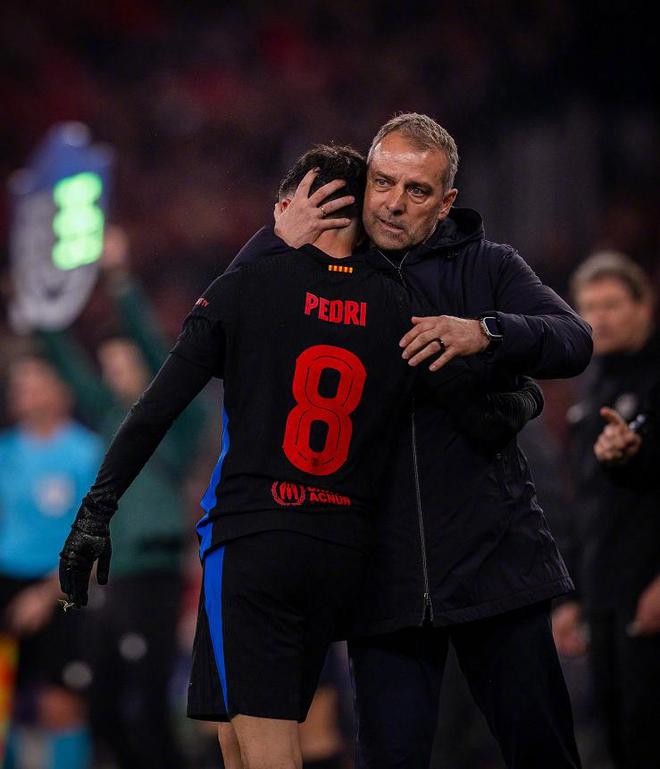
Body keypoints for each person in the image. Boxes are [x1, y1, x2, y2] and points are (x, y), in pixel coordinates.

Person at [59, 145, 543, 769]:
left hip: (251, 542)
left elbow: (156, 406)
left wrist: (96, 511)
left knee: (266, 752)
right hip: (339, 551)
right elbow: (483, 414)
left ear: (293, 207)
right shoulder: (400, 306)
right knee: (236, 739)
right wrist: (526, 396)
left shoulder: (249, 283)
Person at [264, 113, 592, 769]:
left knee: (544, 753)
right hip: (381, 581)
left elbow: (574, 339)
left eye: (417, 190)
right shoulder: (324, 273)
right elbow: (229, 339)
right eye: (384, 182)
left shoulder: (489, 266)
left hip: (496, 565)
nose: (394, 202)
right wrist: (273, 247)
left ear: (446, 203)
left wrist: (486, 332)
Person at [40, 227, 206, 769]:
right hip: (112, 578)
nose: (113, 377)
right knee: (104, 706)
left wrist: (119, 282)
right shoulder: (112, 418)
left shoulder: (176, 422)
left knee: (147, 706)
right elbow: (67, 365)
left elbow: (160, 354)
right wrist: (40, 303)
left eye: (123, 365)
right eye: (108, 368)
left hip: (155, 576)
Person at [554, 251, 660, 769]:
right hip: (603, 592)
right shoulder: (591, 387)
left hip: (649, 589)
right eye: (590, 307)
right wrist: (570, 595)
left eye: (613, 304)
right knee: (615, 736)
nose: (601, 318)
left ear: (644, 305)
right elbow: (586, 503)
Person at [0, 355, 103, 769]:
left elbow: (96, 541)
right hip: (8, 582)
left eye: (34, 382)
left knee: (60, 703)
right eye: (18, 384)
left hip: (62, 587)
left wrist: (46, 594)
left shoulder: (87, 452)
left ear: (61, 391)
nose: (22, 391)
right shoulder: (6, 451)